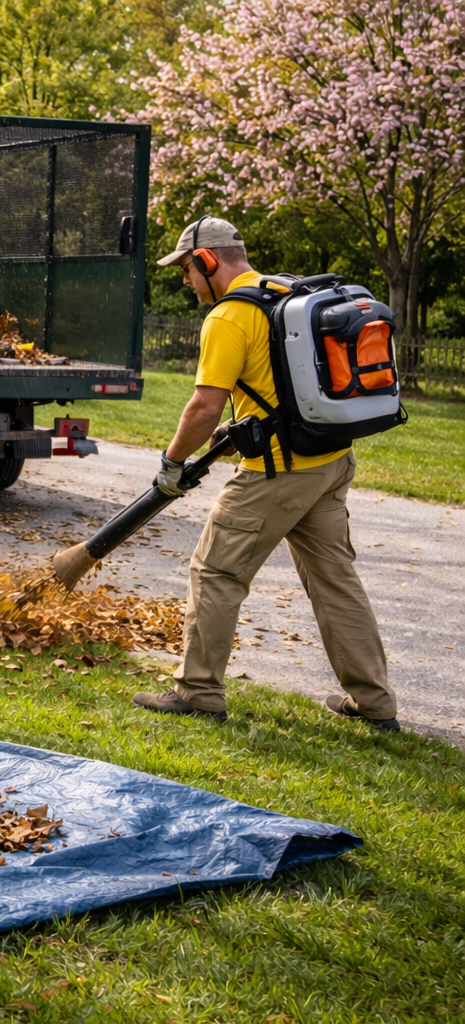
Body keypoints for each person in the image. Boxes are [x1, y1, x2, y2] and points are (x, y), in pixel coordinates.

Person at [133, 215, 398, 731]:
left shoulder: (229, 316)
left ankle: (197, 691)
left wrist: (170, 464)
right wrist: (244, 423)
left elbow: (202, 406)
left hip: (277, 474)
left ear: (208, 261)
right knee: (336, 582)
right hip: (329, 462)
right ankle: (374, 703)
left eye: (187, 269)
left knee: (214, 573)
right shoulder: (283, 292)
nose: (185, 281)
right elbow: (283, 379)